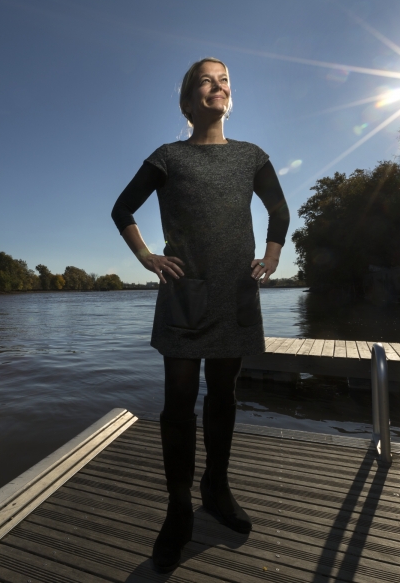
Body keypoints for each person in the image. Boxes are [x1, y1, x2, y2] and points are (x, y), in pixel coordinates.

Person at [110, 57, 290, 573]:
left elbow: (278, 211)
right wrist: (147, 257)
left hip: (236, 292)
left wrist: (272, 255)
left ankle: (217, 487)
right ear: (189, 101)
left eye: (225, 79)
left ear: (230, 97)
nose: (218, 86)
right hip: (184, 294)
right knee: (178, 403)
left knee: (226, 395)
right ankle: (177, 506)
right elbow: (122, 209)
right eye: (206, 80)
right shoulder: (168, 157)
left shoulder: (252, 156)